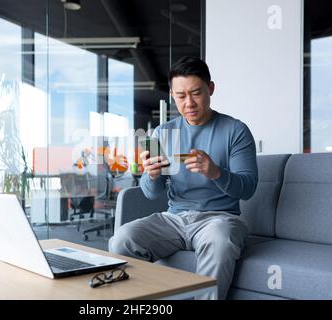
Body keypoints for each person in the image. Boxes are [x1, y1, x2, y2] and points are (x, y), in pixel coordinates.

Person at [108, 56, 258, 300]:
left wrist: (216, 172)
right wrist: (152, 175)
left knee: (220, 239)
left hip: (220, 219)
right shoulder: (163, 132)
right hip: (174, 220)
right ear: (172, 95)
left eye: (196, 93)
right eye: (180, 96)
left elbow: (248, 188)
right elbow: (150, 192)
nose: (189, 103)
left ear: (210, 89)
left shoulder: (235, 131)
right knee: (122, 240)